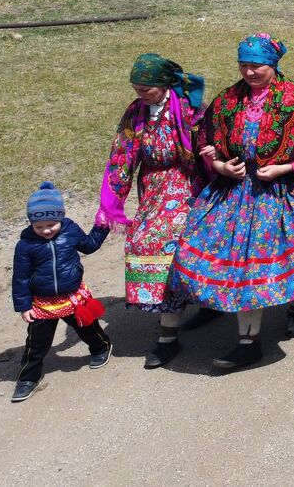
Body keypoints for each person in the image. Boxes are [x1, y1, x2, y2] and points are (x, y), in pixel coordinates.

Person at [174, 33, 294, 371]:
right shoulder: (228, 100)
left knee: (280, 261)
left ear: (273, 65)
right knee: (238, 263)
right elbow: (206, 138)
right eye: (243, 65)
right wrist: (218, 165)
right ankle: (249, 341)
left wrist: (286, 168)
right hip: (236, 191)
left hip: (280, 193)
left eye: (256, 66)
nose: (248, 73)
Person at [95, 53, 206, 369]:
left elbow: (211, 146)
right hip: (153, 187)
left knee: (171, 244)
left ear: (163, 85)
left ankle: (171, 331)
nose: (140, 95)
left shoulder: (188, 110)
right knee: (141, 241)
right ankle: (170, 326)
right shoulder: (136, 113)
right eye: (137, 89)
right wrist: (111, 204)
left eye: (146, 89)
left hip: (188, 184)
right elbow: (121, 155)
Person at [10, 181, 112, 402]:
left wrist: (103, 225)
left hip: (72, 296)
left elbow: (89, 245)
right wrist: (23, 305)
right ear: (31, 224)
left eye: (51, 224)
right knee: (36, 343)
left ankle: (101, 347)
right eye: (39, 227)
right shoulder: (25, 245)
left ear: (61, 217)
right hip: (42, 302)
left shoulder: (70, 230)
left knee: (87, 327)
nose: (46, 230)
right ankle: (28, 378)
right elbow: (20, 277)